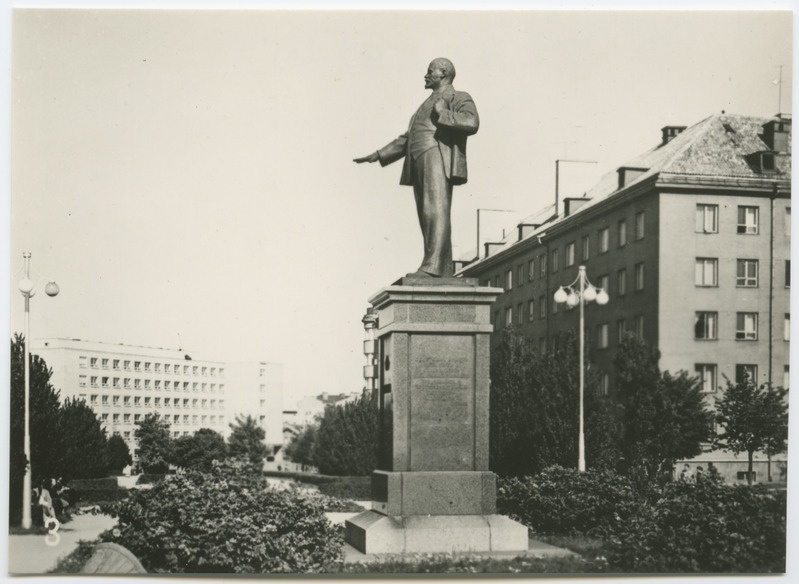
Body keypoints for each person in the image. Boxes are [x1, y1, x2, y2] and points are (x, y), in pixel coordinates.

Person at [354, 58, 479, 278]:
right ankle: (442, 269)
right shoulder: (425, 103)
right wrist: (379, 154)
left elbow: (471, 122)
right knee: (426, 214)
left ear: (444, 73)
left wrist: (443, 114)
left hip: (437, 155)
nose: (426, 75)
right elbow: (409, 137)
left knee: (435, 210)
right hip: (419, 158)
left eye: (430, 71)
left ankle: (432, 267)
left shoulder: (458, 97)